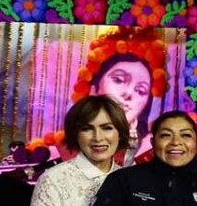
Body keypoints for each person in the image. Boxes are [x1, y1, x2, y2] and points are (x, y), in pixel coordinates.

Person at [72, 26, 168, 161]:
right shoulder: (56, 153)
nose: (128, 94)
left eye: (140, 90)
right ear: (93, 89)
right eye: (118, 80)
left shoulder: (154, 154)